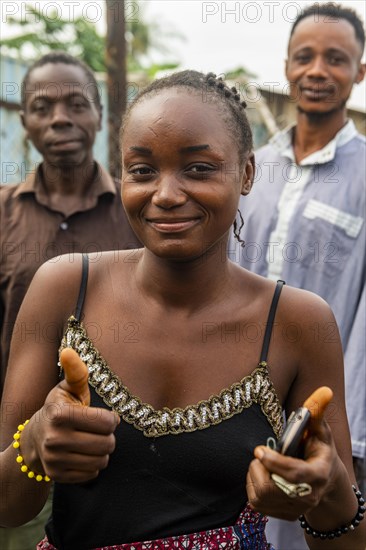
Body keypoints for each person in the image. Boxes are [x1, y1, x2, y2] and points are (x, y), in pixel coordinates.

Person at [0, 69, 365, 550]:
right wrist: (35, 444)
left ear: (248, 173)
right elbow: (8, 509)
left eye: (199, 168)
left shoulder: (298, 323)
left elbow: (342, 541)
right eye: (143, 170)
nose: (166, 195)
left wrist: (327, 488)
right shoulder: (65, 287)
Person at [229, 3, 366, 549]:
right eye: (304, 56)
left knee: (309, 524)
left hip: (322, 400)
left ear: (360, 71)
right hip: (235, 391)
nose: (317, 71)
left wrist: (347, 427)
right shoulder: (254, 167)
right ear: (286, 65)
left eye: (336, 59)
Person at [0, 51, 141, 550]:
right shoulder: (2, 213)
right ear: (25, 122)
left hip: (120, 450)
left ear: (101, 114)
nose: (60, 118)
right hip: (15, 451)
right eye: (43, 107)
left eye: (76, 104)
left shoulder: (142, 209)